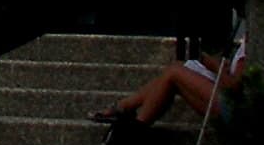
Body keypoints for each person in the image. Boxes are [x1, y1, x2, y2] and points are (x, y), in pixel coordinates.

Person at [96, 41, 247, 128]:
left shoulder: (253, 44)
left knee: (174, 72)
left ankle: (134, 125)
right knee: (177, 70)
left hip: (236, 110)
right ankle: (125, 108)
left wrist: (213, 65)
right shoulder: (249, 40)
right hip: (229, 103)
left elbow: (235, 88)